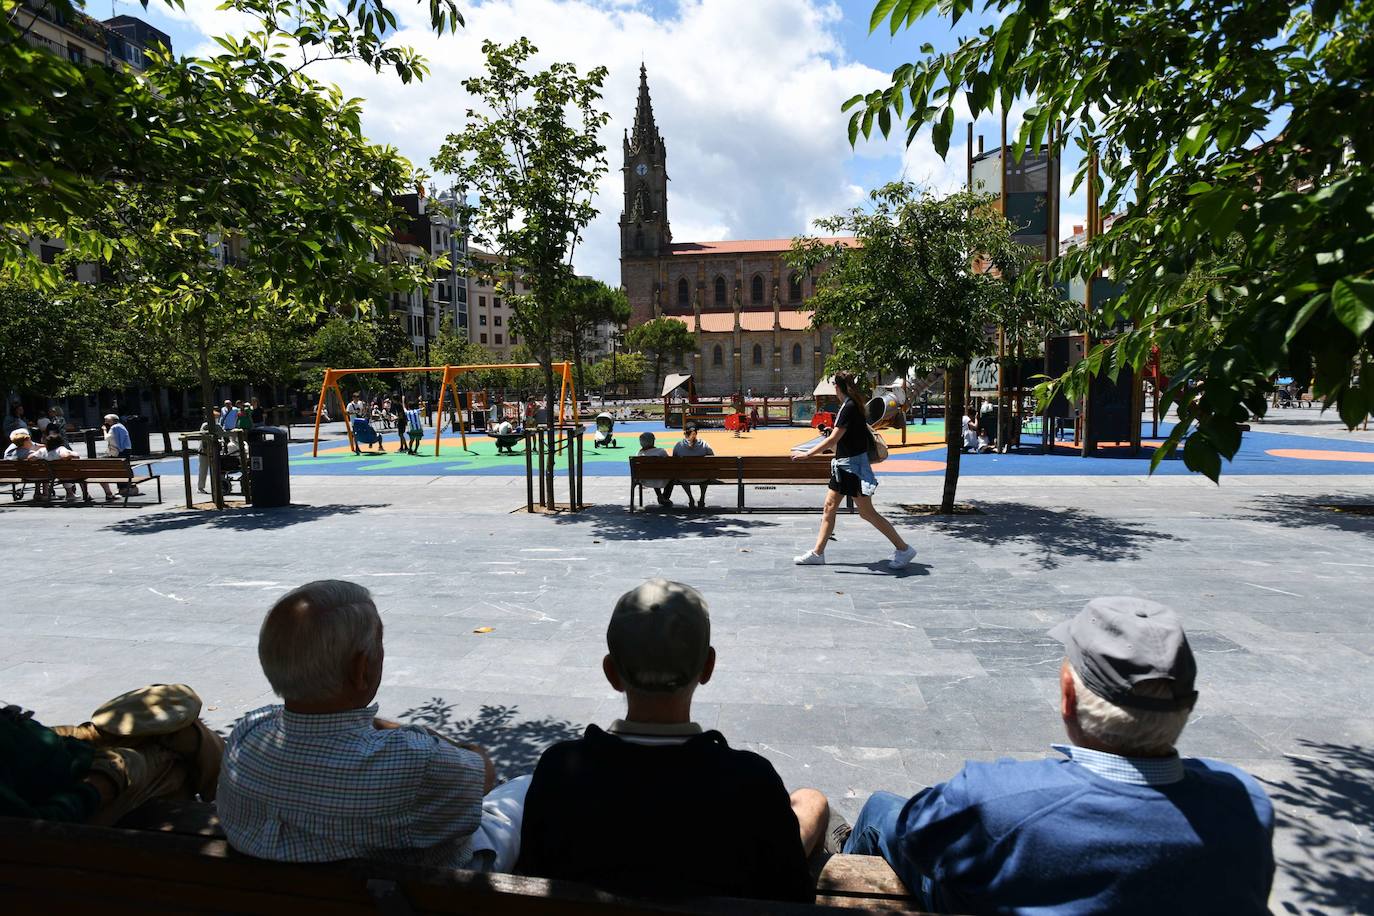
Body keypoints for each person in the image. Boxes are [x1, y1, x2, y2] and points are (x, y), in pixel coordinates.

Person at [843, 597, 1275, 915]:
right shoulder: (1244, 802)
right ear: (1189, 705)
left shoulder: (996, 800)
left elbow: (917, 837)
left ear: (1068, 697)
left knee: (882, 809)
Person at [518, 579, 830, 901]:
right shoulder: (752, 781)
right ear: (707, 667)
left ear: (612, 673)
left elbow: (534, 873)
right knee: (811, 801)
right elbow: (793, 897)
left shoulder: (558, 770)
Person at [217, 580, 529, 872]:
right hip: (426, 894)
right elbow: (482, 774)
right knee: (527, 786)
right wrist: (422, 735)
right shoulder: (415, 762)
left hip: (274, 896)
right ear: (361, 668)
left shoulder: (247, 733)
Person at [1, 684, 223, 826]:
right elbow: (35, 828)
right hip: (93, 778)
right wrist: (102, 783)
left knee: (166, 701)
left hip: (65, 750)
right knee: (176, 747)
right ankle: (227, 789)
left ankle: (228, 787)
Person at [792, 372, 915, 569]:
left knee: (867, 513)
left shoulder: (848, 407)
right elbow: (842, 439)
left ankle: (903, 549)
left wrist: (807, 454)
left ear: (837, 388)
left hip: (851, 468)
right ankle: (818, 553)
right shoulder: (852, 405)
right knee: (830, 507)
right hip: (845, 466)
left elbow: (833, 440)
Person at [668, 423, 714, 508]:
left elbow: (674, 460)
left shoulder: (679, 445)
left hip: (684, 478)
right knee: (704, 471)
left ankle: (690, 498)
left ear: (685, 433)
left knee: (682, 472)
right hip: (702, 477)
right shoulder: (704, 444)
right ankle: (702, 497)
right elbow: (712, 459)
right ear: (696, 433)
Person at [101, 414, 139, 500]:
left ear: (112, 420)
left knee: (119, 469)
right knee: (125, 468)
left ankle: (122, 488)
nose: (105, 422)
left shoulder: (114, 427)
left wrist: (104, 430)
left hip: (119, 451)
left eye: (107, 420)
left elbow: (107, 438)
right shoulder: (121, 426)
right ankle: (127, 487)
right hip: (125, 449)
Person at [40, 430, 81, 501]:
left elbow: (31, 457)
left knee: (63, 472)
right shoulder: (60, 449)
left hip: (50, 474)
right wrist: (73, 454)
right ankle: (73, 494)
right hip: (64, 474)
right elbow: (64, 456)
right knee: (67, 473)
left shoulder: (42, 451)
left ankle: (69, 494)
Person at [635, 431, 671, 507]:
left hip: (644, 479)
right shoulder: (661, 451)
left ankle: (660, 496)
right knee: (668, 476)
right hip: (660, 478)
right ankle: (665, 497)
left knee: (653, 474)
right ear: (653, 441)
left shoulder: (639, 454)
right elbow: (669, 463)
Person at [196, 408, 225, 495]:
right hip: (204, 451)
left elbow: (223, 435)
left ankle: (217, 486)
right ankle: (200, 487)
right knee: (203, 469)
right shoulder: (205, 425)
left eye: (217, 417)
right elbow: (203, 436)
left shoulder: (218, 426)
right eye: (215, 417)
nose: (216, 419)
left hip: (214, 451)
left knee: (215, 469)